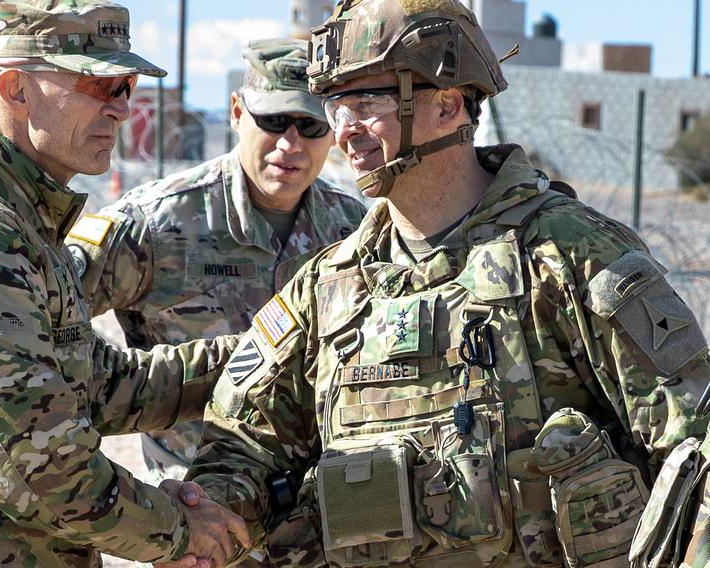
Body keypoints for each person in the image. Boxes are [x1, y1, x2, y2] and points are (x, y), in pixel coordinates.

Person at [179, 1, 710, 567]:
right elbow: (244, 448)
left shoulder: (567, 253)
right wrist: (199, 516)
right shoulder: (330, 286)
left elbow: (694, 445)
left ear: (448, 104)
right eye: (336, 106)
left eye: (367, 101)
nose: (344, 132)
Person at [0, 1, 250, 567]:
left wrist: (258, 358)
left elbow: (99, 385)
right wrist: (179, 529)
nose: (120, 109)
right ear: (16, 88)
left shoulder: (22, 218)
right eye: (99, 83)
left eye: (126, 86)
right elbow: (41, 471)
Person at [65, 38, 366, 493]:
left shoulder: (354, 232)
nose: (290, 143)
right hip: (202, 514)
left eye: (310, 126)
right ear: (237, 113)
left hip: (317, 513)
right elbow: (46, 315)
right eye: (274, 121)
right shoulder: (158, 224)